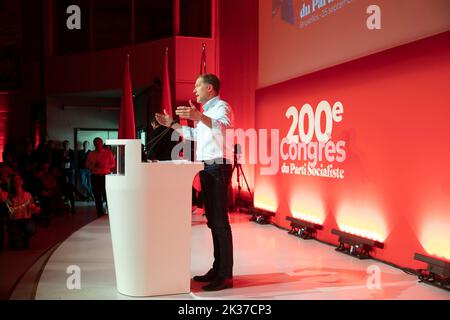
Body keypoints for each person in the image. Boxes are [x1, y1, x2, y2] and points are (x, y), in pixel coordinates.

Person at [156, 73, 234, 291]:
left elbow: (222, 127)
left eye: (197, 86)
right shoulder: (206, 112)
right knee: (213, 221)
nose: (194, 90)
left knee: (220, 222)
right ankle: (217, 268)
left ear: (210, 88)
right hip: (207, 167)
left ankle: (225, 274)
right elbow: (192, 135)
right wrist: (171, 124)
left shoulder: (221, 107)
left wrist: (199, 116)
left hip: (218, 166)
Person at [5, 174, 41, 250]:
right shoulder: (9, 195)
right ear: (13, 182)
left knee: (31, 230)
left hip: (25, 220)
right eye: (17, 178)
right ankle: (15, 239)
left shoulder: (27, 194)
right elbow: (11, 211)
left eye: (20, 178)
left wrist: (35, 209)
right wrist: (24, 205)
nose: (20, 179)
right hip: (13, 221)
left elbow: (31, 205)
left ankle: (22, 238)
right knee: (19, 247)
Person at [86, 137, 115, 218]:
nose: (97, 145)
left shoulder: (108, 153)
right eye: (95, 143)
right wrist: (93, 165)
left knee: (107, 195)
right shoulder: (91, 153)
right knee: (97, 196)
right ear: (94, 144)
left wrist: (105, 165)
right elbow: (87, 165)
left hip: (105, 176)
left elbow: (113, 164)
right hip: (95, 176)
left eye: (99, 143)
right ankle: (100, 214)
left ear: (102, 143)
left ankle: (110, 213)